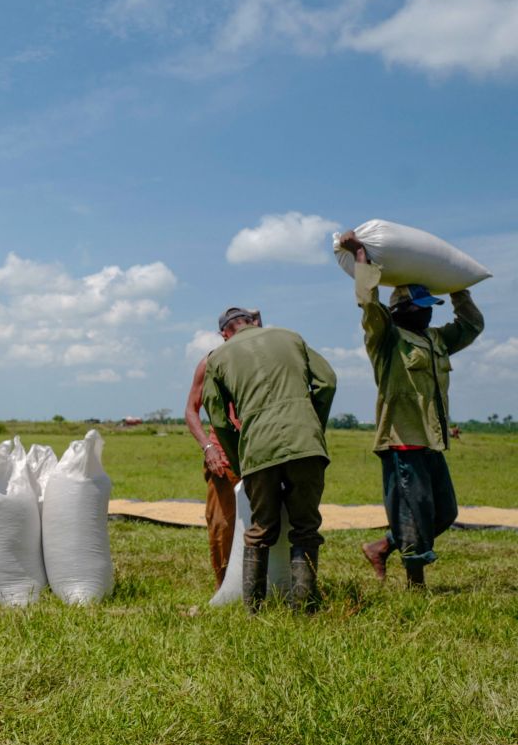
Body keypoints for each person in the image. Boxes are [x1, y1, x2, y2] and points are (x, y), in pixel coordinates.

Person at [338, 231, 484, 588]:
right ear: (403, 308)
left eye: (431, 307)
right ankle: (415, 586)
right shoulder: (386, 338)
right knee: (413, 513)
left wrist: (458, 288)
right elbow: (370, 306)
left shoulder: (436, 341)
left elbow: (472, 325)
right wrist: (360, 259)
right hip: (402, 437)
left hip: (431, 439)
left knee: (445, 512)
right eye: (422, 306)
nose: (428, 313)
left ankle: (381, 546)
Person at [201, 309, 337, 613]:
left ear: (226, 332)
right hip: (306, 443)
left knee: (260, 529)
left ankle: (254, 611)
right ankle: (304, 608)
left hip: (258, 449)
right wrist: (313, 424)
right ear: (252, 322)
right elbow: (327, 381)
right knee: (305, 528)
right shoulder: (291, 337)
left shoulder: (219, 358)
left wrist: (239, 461)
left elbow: (218, 417)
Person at [184, 308, 260, 588]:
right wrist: (208, 447)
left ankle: (260, 581)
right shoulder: (211, 362)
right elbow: (191, 411)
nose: (240, 331)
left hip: (260, 451)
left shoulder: (261, 358)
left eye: (246, 325)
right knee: (222, 524)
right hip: (223, 456)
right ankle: (224, 586)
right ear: (224, 334)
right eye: (234, 327)